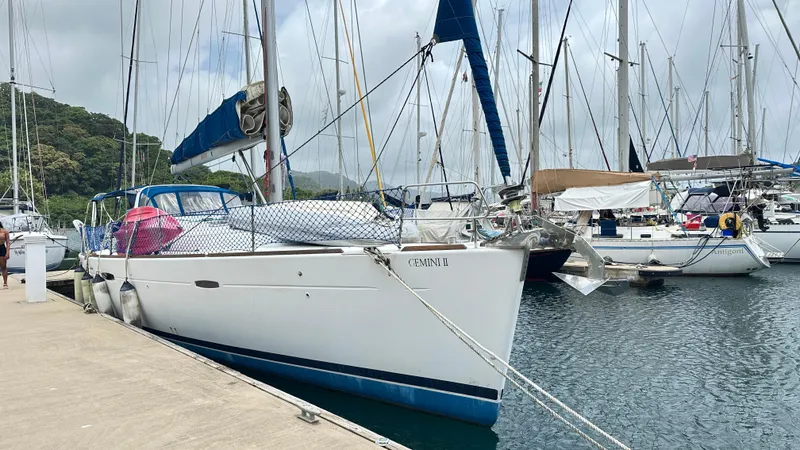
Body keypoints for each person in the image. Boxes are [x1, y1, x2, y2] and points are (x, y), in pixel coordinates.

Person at [0, 223, 8, 289]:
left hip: (2, 248)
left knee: (3, 266)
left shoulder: (4, 231)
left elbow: (8, 243)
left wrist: (8, 252)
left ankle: (5, 283)